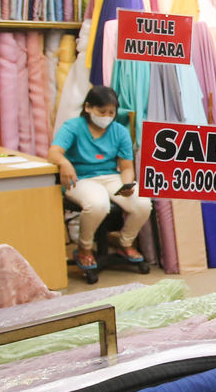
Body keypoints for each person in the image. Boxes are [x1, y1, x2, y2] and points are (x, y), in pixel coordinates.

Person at [48, 85, 152, 271]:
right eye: (102, 111)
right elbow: (54, 153)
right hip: (80, 179)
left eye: (111, 112)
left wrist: (127, 183)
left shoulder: (119, 131)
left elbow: (126, 167)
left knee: (143, 203)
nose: (107, 117)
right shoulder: (73, 127)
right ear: (88, 107)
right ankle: (84, 248)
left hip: (111, 177)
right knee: (98, 204)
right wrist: (64, 163)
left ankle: (124, 242)